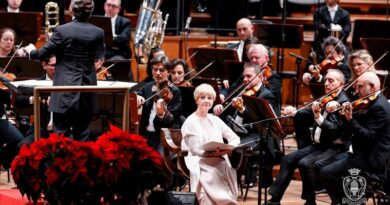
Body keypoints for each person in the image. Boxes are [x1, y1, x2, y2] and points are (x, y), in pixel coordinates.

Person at [23, 0, 105, 141]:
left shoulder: (62, 30)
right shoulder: (98, 32)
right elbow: (99, 57)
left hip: (64, 90)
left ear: (72, 10)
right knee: (82, 138)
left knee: (60, 139)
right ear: (90, 12)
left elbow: (42, 54)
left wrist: (30, 52)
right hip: (87, 89)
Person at [267, 69, 350, 205]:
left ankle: (310, 201)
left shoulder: (342, 102)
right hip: (319, 145)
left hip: (334, 147)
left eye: (331, 81)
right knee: (288, 159)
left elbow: (333, 129)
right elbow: (308, 110)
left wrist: (318, 117)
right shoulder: (327, 97)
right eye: (326, 80)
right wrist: (294, 111)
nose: (326, 83)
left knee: (305, 163)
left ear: (341, 84)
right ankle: (274, 200)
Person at [318, 71, 390, 204]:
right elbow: (353, 125)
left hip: (371, 158)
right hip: (359, 151)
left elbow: (367, 136)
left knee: (326, 172)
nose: (356, 91)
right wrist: (340, 110)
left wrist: (350, 119)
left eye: (360, 86)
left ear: (372, 87)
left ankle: (346, 201)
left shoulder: (379, 106)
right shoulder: (371, 102)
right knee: (319, 165)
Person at [214, 62, 278, 187]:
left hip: (258, 135)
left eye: (249, 76)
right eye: (244, 76)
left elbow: (261, 123)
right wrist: (220, 106)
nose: (245, 79)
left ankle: (231, 183)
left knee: (234, 147)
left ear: (259, 76)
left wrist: (243, 110)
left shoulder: (266, 95)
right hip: (237, 132)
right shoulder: (243, 90)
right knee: (215, 142)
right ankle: (219, 180)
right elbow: (229, 110)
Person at [181, 83, 240, 205]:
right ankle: (222, 201)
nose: (206, 101)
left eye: (209, 98)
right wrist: (212, 153)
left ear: (213, 101)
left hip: (219, 157)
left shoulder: (215, 119)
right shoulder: (191, 121)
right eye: (202, 97)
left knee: (225, 165)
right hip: (199, 160)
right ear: (196, 100)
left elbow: (235, 137)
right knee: (211, 173)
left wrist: (228, 148)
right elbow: (196, 150)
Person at [136, 54, 182, 151]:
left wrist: (162, 113)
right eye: (155, 69)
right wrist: (138, 96)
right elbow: (135, 92)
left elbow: (172, 120)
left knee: (159, 160)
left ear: (168, 72)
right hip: (145, 134)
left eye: (161, 70)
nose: (158, 73)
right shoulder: (148, 87)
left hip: (163, 137)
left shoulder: (174, 91)